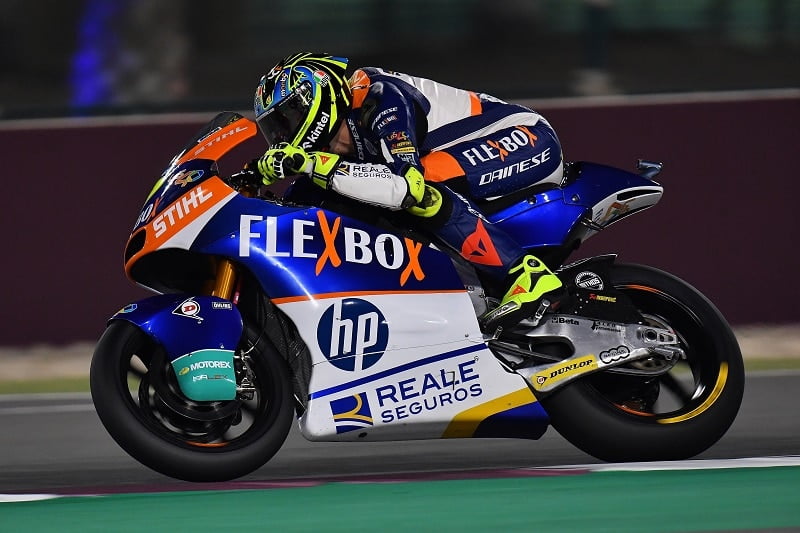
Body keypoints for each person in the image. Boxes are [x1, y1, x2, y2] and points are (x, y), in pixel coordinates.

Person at [251, 52, 565, 331]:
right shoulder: (335, 141)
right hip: (468, 156)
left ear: (315, 99)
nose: (282, 136)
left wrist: (312, 164)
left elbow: (406, 188)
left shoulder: (381, 97)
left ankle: (525, 274)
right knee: (315, 192)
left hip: (526, 137)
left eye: (287, 119)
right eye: (274, 129)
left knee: (422, 187)